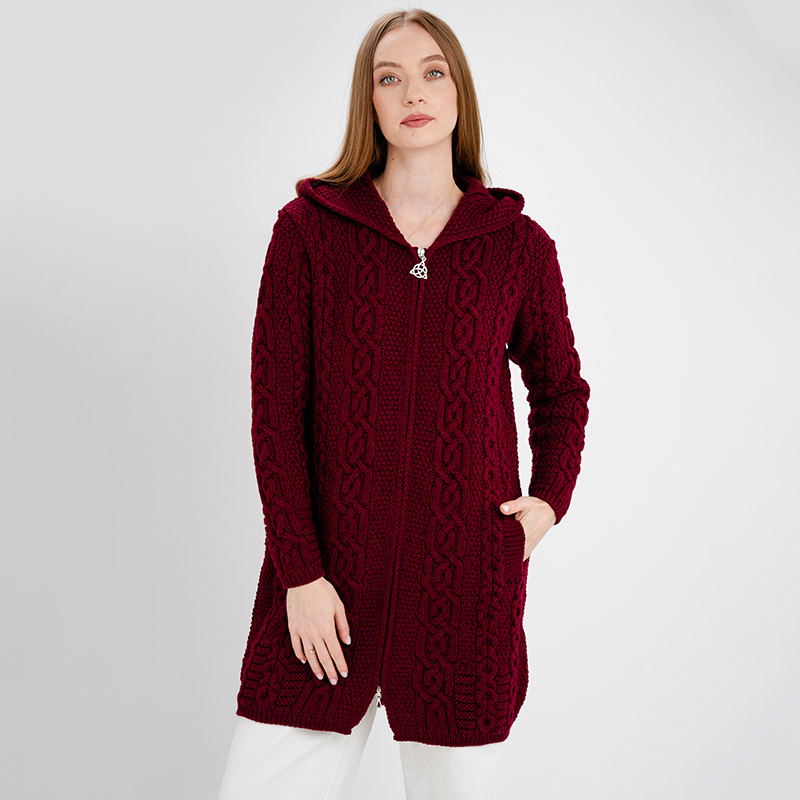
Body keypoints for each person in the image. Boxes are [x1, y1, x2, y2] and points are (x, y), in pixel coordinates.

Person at [217, 8, 591, 800]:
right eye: (390, 78)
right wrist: (300, 576)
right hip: (324, 595)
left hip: (464, 593)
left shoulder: (518, 247)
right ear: (370, 102)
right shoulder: (308, 232)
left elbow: (561, 390)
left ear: (459, 93)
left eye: (432, 73)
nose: (413, 92)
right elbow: (275, 413)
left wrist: (548, 503)